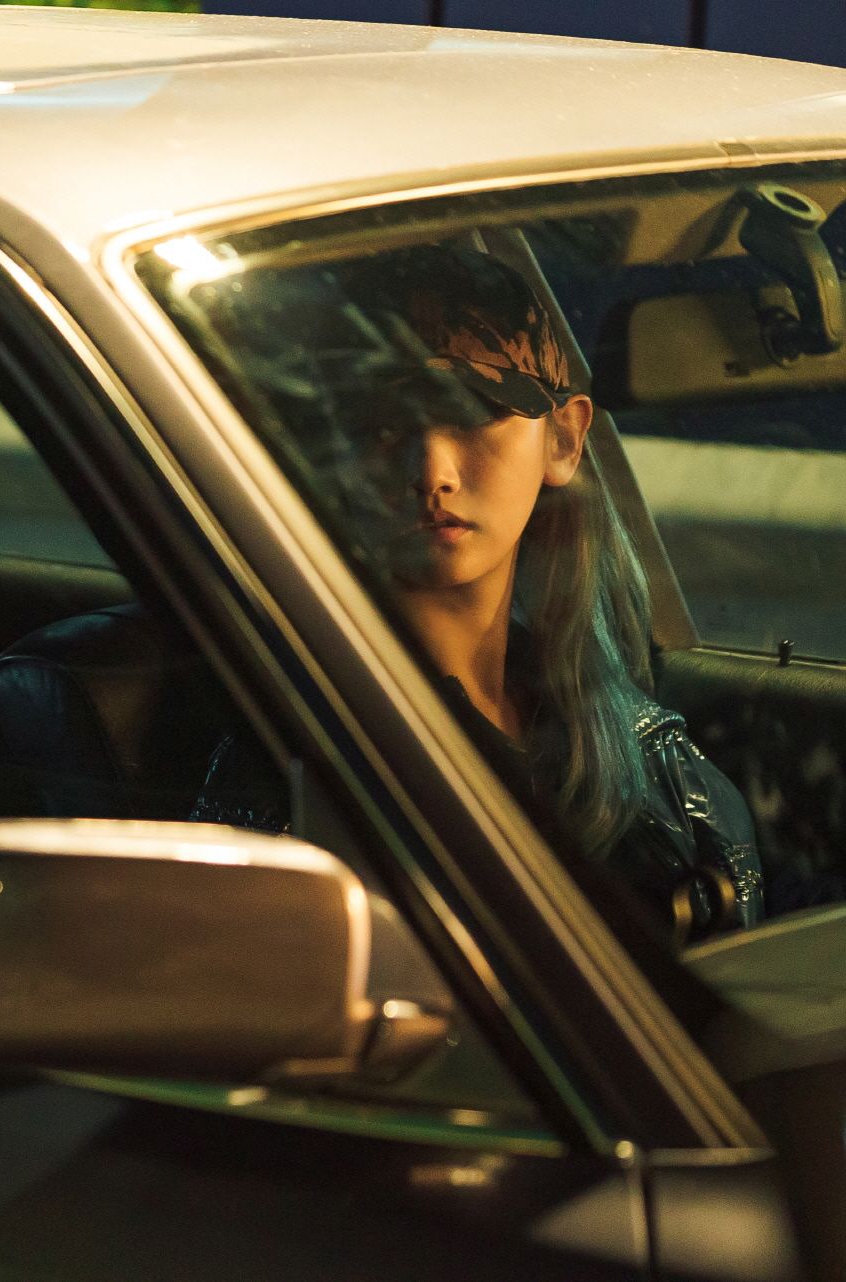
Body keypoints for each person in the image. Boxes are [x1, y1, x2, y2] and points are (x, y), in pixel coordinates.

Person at [198, 243, 760, 947]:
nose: (432, 470)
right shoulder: (288, 756)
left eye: (473, 412)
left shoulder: (660, 770)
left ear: (564, 438)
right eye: (382, 425)